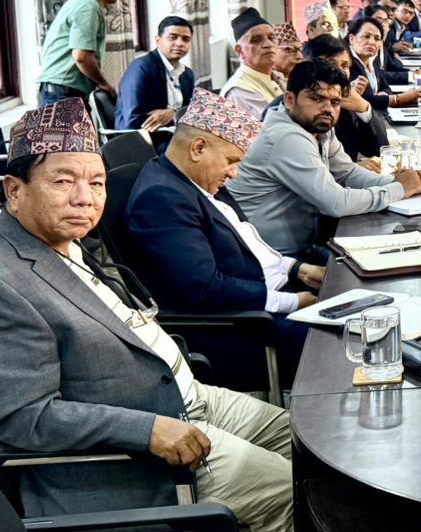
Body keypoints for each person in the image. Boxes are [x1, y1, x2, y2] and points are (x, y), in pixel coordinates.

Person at [0, 99, 298, 532]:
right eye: (63, 181)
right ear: (14, 189)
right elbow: (25, 418)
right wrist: (149, 430)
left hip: (180, 395)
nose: (84, 199)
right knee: (287, 490)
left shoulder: (55, 235)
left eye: (96, 183)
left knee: (304, 444)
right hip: (130, 457)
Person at [122, 90, 323, 391]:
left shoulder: (197, 179)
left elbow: (248, 244)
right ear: (198, 148)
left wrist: (297, 269)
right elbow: (206, 289)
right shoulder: (161, 199)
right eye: (231, 161)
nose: (234, 173)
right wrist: (293, 301)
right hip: (243, 326)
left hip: (266, 297)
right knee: (348, 340)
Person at [227, 60, 421, 256]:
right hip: (276, 260)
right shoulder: (285, 137)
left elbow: (346, 173)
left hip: (305, 246)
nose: (328, 109)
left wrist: (396, 182)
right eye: (316, 99)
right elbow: (336, 203)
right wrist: (400, 189)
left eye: (335, 102)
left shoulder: (318, 126)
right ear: (289, 100)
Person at [35, 0, 121, 106]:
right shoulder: (88, 6)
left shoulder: (78, 1)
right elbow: (81, 56)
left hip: (57, 92)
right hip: (62, 95)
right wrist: (104, 84)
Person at [306, 34, 381, 165]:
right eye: (331, 63)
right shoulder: (300, 105)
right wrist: (354, 168)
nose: (340, 72)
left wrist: (364, 107)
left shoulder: (345, 99)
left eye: (345, 65)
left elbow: (378, 149)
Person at [114, 15, 196, 132]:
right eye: (173, 37)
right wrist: (175, 116)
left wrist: (174, 113)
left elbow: (191, 111)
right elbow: (133, 120)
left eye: (186, 39)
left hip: (175, 134)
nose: (180, 43)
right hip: (140, 137)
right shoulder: (141, 68)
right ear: (158, 41)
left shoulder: (187, 74)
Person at [221, 7, 282, 121]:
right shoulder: (240, 90)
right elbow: (275, 127)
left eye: (271, 37)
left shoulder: (278, 77)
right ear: (240, 51)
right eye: (256, 40)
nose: (268, 44)